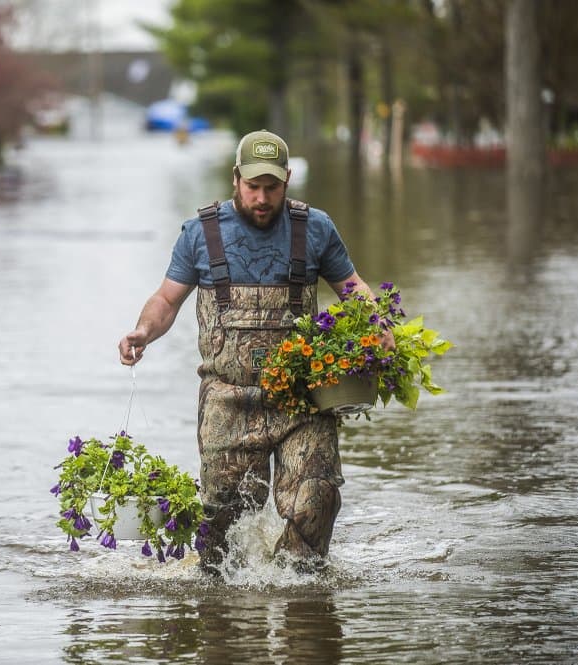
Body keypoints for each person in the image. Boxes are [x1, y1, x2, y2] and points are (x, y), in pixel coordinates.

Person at [118, 129, 390, 574]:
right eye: (253, 186)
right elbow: (166, 299)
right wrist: (143, 332)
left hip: (302, 400)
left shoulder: (315, 228)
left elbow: (352, 287)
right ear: (235, 179)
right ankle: (228, 611)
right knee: (220, 535)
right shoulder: (201, 233)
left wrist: (377, 324)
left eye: (272, 187)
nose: (262, 198)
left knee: (317, 498)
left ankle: (296, 590)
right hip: (227, 400)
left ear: (287, 179)